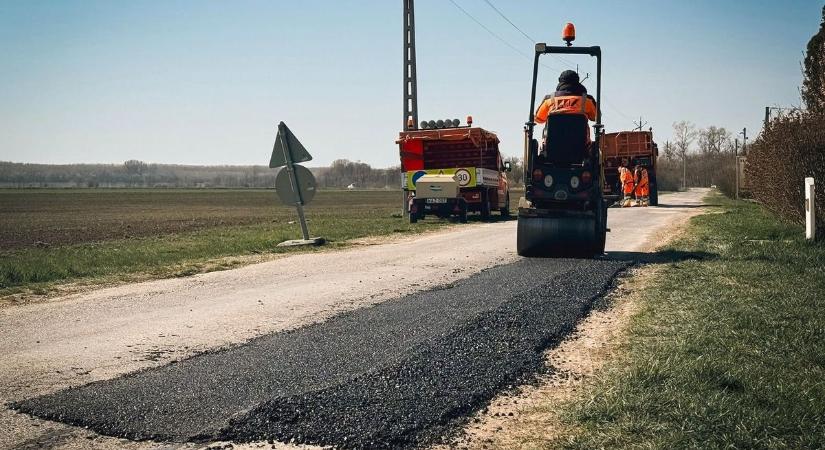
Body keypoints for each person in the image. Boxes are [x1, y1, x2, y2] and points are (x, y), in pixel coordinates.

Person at [534, 70, 598, 142]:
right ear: (577, 81)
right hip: (581, 149)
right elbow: (596, 117)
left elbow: (538, 119)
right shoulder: (586, 99)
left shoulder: (549, 100)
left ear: (560, 81)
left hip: (552, 149)